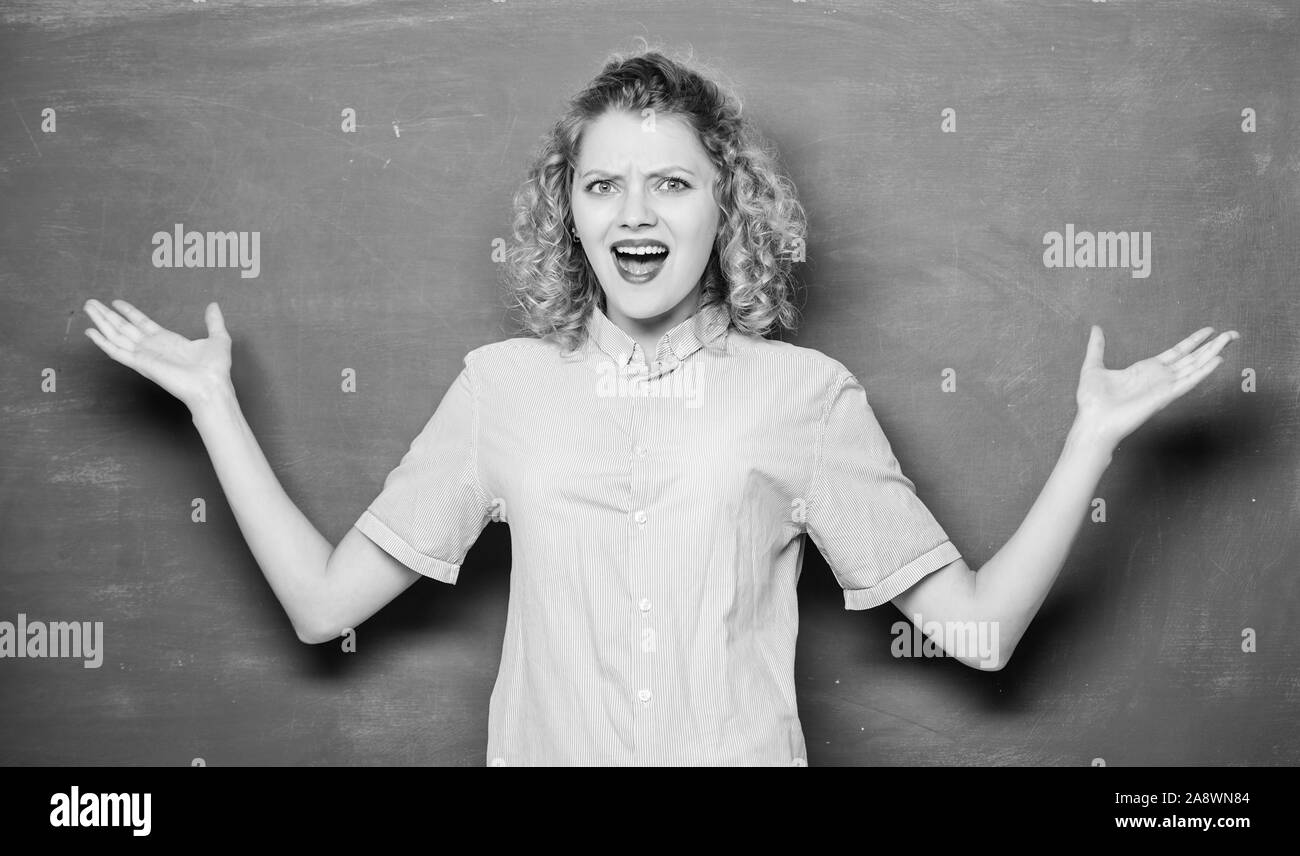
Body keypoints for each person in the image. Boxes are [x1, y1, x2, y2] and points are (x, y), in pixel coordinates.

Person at [82, 47, 1239, 766]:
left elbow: (977, 638)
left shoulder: (805, 397)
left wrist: (1092, 437)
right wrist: (211, 408)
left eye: (670, 181)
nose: (635, 210)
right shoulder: (501, 390)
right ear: (570, 210)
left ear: (722, 204)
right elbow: (320, 604)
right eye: (603, 183)